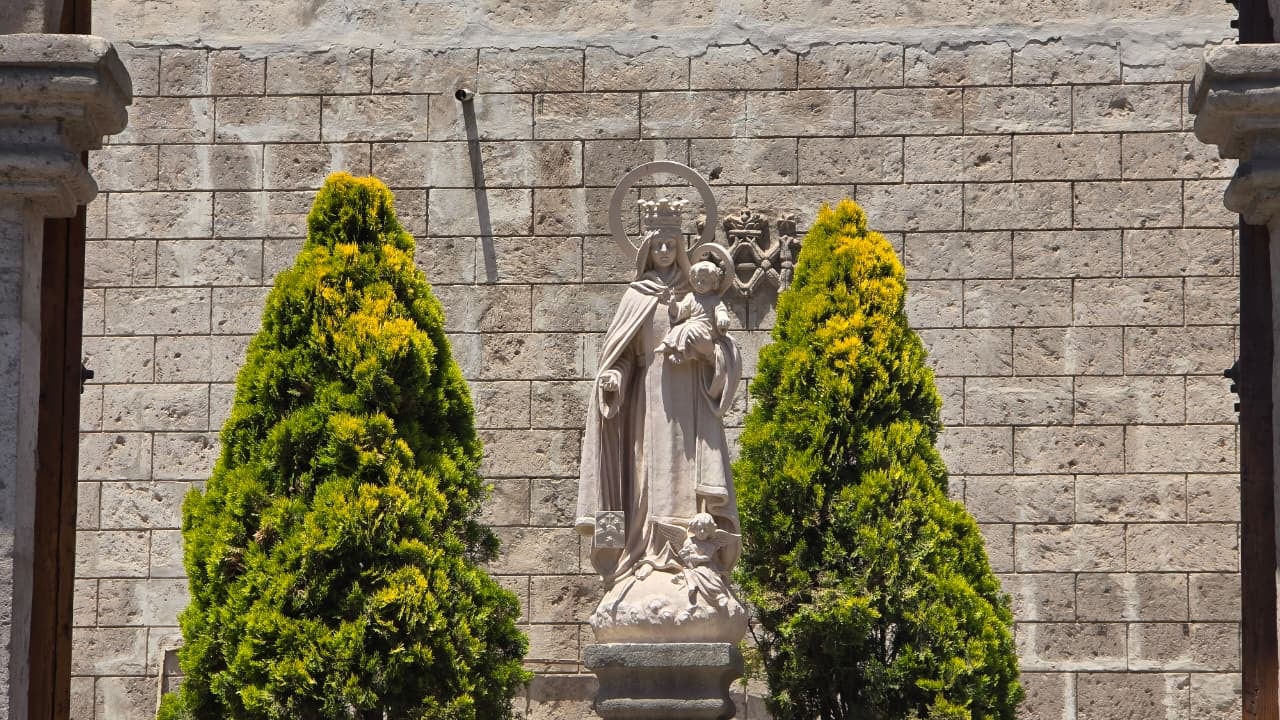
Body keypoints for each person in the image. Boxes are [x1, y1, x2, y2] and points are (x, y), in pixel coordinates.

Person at [575, 202, 742, 588]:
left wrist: (706, 350)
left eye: (671, 244)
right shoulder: (636, 296)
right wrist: (613, 378)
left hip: (692, 405)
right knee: (642, 477)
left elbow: (725, 351)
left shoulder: (696, 294)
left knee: (688, 476)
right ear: (647, 250)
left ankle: (694, 555)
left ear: (681, 247)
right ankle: (638, 554)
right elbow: (623, 356)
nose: (664, 251)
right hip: (646, 405)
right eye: (657, 245)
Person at [655, 259, 732, 366]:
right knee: (679, 328)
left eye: (704, 281)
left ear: (713, 283)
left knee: (692, 330)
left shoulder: (714, 299)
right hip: (692, 325)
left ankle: (682, 353)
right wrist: (673, 304)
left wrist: (722, 318)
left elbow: (720, 310)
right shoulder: (691, 297)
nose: (699, 284)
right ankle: (669, 346)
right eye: (696, 280)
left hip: (706, 329)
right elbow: (681, 310)